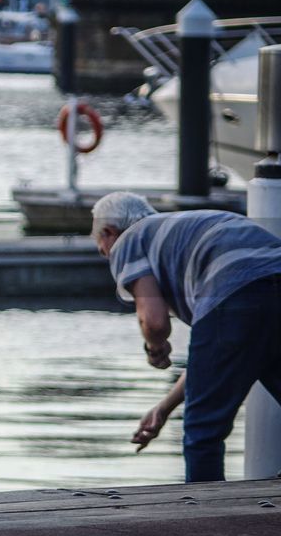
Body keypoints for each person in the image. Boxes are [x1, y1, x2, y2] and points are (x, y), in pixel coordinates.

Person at [91, 191, 281, 481]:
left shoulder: (129, 239)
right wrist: (164, 408)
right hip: (267, 282)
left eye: (102, 250)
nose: (109, 258)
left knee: (203, 431)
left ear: (108, 232)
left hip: (236, 292)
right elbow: (213, 362)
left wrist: (155, 348)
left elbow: (153, 322)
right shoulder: (180, 231)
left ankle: (206, 518)